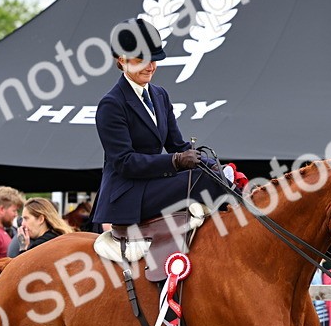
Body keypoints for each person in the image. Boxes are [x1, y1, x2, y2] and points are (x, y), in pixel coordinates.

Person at [91, 17, 229, 227]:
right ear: (121, 59)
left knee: (217, 176)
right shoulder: (111, 104)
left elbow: (177, 145)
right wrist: (175, 161)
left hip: (153, 183)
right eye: (141, 61)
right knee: (204, 180)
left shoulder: (160, 95)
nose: (150, 67)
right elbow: (124, 162)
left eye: (154, 60)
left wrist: (215, 166)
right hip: (128, 193)